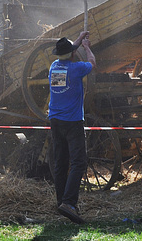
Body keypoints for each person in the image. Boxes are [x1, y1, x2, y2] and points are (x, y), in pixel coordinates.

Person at [49, 31, 95, 224]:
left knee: (61, 162)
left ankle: (61, 202)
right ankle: (69, 203)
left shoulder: (54, 67)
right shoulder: (77, 69)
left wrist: (77, 40)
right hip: (73, 121)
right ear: (73, 54)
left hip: (55, 120)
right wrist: (87, 47)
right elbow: (92, 62)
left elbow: (68, 53)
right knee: (78, 163)